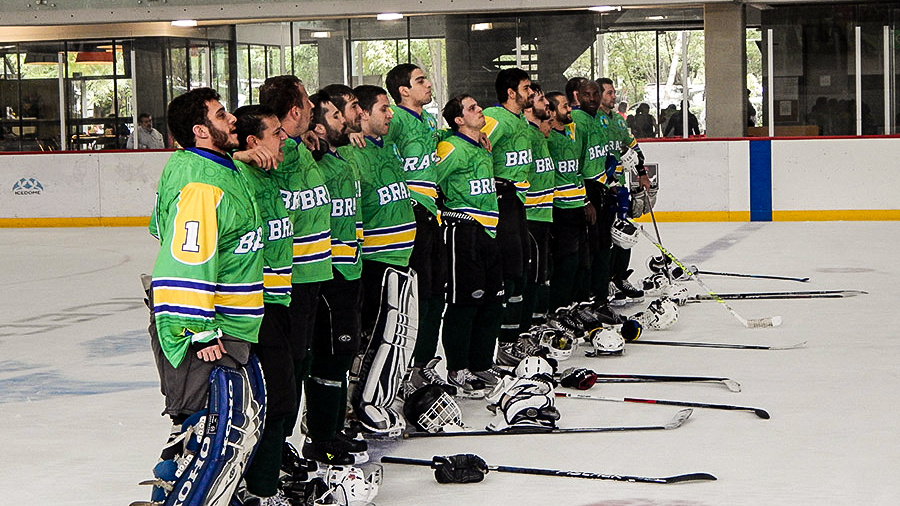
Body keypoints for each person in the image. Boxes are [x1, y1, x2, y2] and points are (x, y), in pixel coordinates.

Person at [143, 87, 274, 504]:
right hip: (206, 330)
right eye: (221, 115)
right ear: (201, 131)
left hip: (230, 324)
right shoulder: (201, 184)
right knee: (202, 434)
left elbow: (160, 228)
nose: (232, 118)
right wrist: (197, 330)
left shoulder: (210, 167)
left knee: (220, 433)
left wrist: (241, 157)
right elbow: (183, 263)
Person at [257, 76, 336, 468]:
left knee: (300, 364)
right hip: (289, 282)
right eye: (307, 101)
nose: (313, 108)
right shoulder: (271, 155)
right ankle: (273, 450)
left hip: (313, 275)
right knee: (285, 372)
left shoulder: (299, 146)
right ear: (293, 110)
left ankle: (283, 444)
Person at [230, 104, 294, 504]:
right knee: (275, 399)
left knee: (282, 398)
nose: (284, 138)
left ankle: (264, 481)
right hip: (256, 304)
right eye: (276, 133)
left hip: (280, 298)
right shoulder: (239, 175)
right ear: (253, 141)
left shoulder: (269, 172)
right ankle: (260, 490)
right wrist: (238, 156)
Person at [346, 84, 417, 433]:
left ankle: (380, 392)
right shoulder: (351, 152)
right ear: (362, 113)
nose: (391, 114)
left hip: (401, 257)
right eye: (383, 109)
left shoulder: (386, 145)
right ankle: (361, 402)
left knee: (394, 334)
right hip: (376, 260)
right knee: (374, 335)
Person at [303, 90, 367, 465]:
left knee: (342, 357)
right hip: (328, 274)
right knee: (329, 358)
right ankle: (321, 436)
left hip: (350, 269)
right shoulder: (312, 165)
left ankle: (333, 428)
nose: (344, 120)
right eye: (335, 116)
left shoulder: (343, 157)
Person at [383, 64, 453, 395]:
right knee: (417, 295)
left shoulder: (427, 120)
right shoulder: (396, 118)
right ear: (403, 91)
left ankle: (424, 364)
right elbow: (374, 141)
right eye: (420, 80)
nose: (428, 84)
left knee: (435, 294)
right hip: (411, 213)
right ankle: (405, 371)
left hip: (433, 213)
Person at [435, 94, 502, 398]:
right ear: (459, 119)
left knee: (492, 302)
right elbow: (431, 178)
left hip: (491, 232)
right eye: (472, 108)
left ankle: (482, 363)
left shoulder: (481, 146)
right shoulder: (452, 147)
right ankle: (457, 368)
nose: (480, 110)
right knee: (465, 303)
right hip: (465, 232)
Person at [481, 67, 536, 368]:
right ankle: (501, 344)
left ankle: (513, 338)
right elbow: (474, 145)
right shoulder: (496, 117)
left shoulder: (520, 120)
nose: (531, 92)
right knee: (509, 275)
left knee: (521, 274)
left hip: (518, 204)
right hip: (501, 205)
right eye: (526, 88)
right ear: (511, 92)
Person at [597, 77, 648, 305]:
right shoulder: (592, 121)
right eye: (609, 92)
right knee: (606, 238)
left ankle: (619, 277)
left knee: (625, 234)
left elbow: (633, 148)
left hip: (620, 189)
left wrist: (642, 172)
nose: (614, 96)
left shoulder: (618, 120)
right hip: (601, 188)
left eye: (613, 92)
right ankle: (605, 280)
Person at [545, 91, 587, 312]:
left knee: (580, 261)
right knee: (565, 262)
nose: (570, 109)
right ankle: (558, 308)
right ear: (551, 111)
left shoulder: (570, 134)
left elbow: (576, 173)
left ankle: (573, 304)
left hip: (577, 207)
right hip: (560, 209)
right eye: (564, 106)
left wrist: (586, 201)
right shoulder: (547, 138)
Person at [520, 83, 555, 333]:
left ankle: (537, 320)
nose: (546, 104)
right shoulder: (526, 135)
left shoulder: (538, 134)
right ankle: (524, 328)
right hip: (529, 217)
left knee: (542, 273)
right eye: (541, 99)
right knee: (531, 276)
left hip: (543, 216)